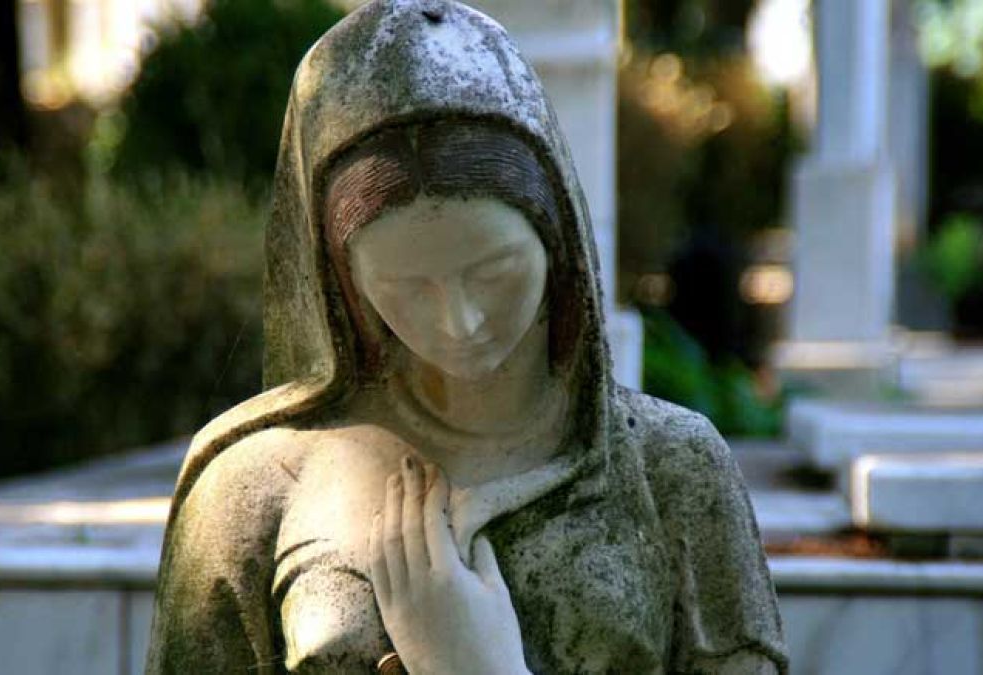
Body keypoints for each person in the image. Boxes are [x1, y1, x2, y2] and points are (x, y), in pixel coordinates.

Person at [146, 2, 787, 673]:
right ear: (346, 285)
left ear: (556, 239)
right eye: (406, 286)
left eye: (493, 271)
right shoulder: (255, 484)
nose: (460, 321)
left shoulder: (673, 470)